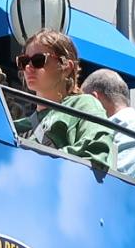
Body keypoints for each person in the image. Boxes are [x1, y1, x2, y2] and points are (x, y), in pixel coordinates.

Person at [14, 31, 115, 169]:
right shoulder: (19, 125)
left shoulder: (84, 104)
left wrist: (39, 162)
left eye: (38, 60)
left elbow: (96, 151)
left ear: (66, 67)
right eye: (24, 61)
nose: (27, 67)